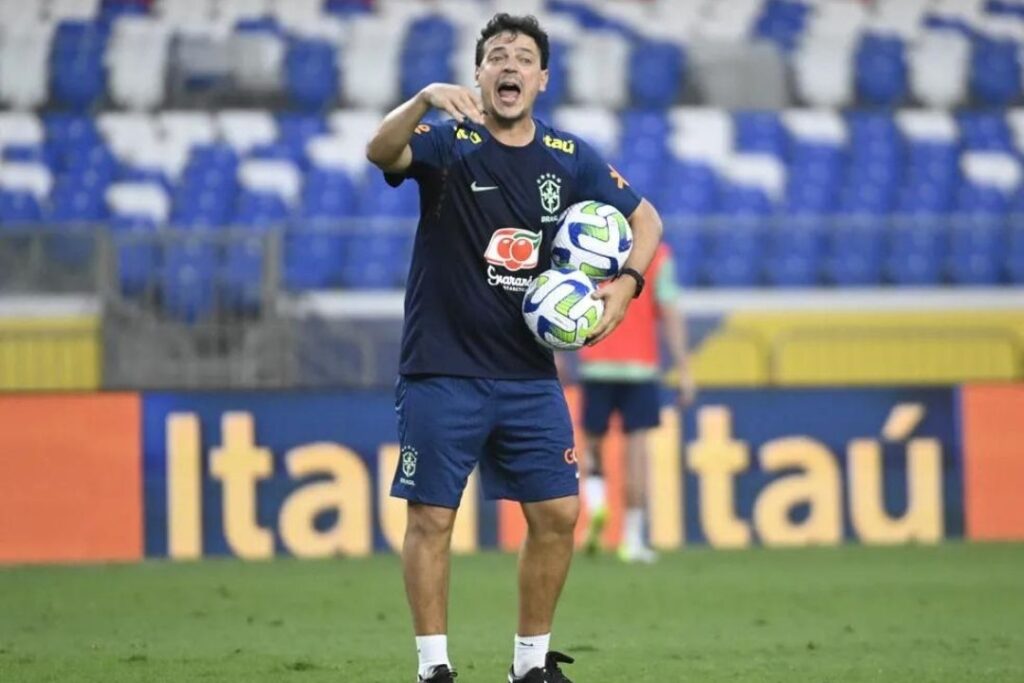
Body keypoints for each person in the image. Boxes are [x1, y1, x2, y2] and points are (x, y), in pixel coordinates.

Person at [365, 13, 663, 683]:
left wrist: (625, 287)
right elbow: (380, 152)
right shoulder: (448, 142)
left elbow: (646, 219)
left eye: (524, 57)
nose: (510, 65)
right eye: (497, 55)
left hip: (528, 373)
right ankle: (434, 668)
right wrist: (423, 100)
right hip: (442, 367)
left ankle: (530, 665)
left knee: (559, 512)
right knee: (432, 517)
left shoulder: (568, 156)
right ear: (479, 74)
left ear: (542, 78)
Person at [577, 243, 695, 564]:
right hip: (641, 367)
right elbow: (670, 311)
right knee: (637, 455)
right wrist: (684, 370)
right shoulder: (658, 253)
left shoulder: (592, 244)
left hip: (597, 361)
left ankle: (596, 508)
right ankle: (633, 539)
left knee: (592, 447)